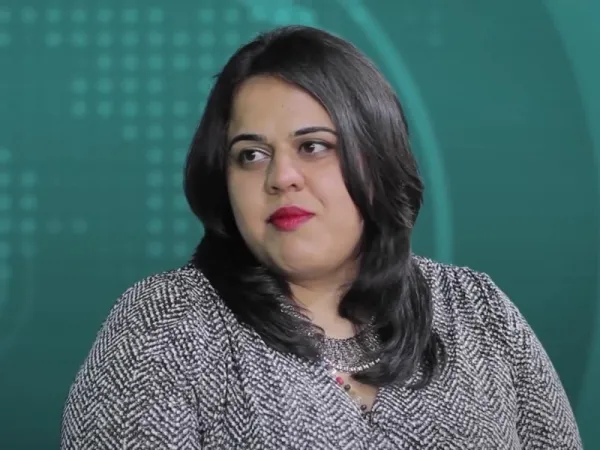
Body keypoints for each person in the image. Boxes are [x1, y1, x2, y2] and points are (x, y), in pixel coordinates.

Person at [60, 25, 582, 449]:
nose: (281, 177)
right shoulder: (166, 323)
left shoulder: (479, 311)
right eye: (251, 155)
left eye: (313, 147)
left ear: (377, 158)